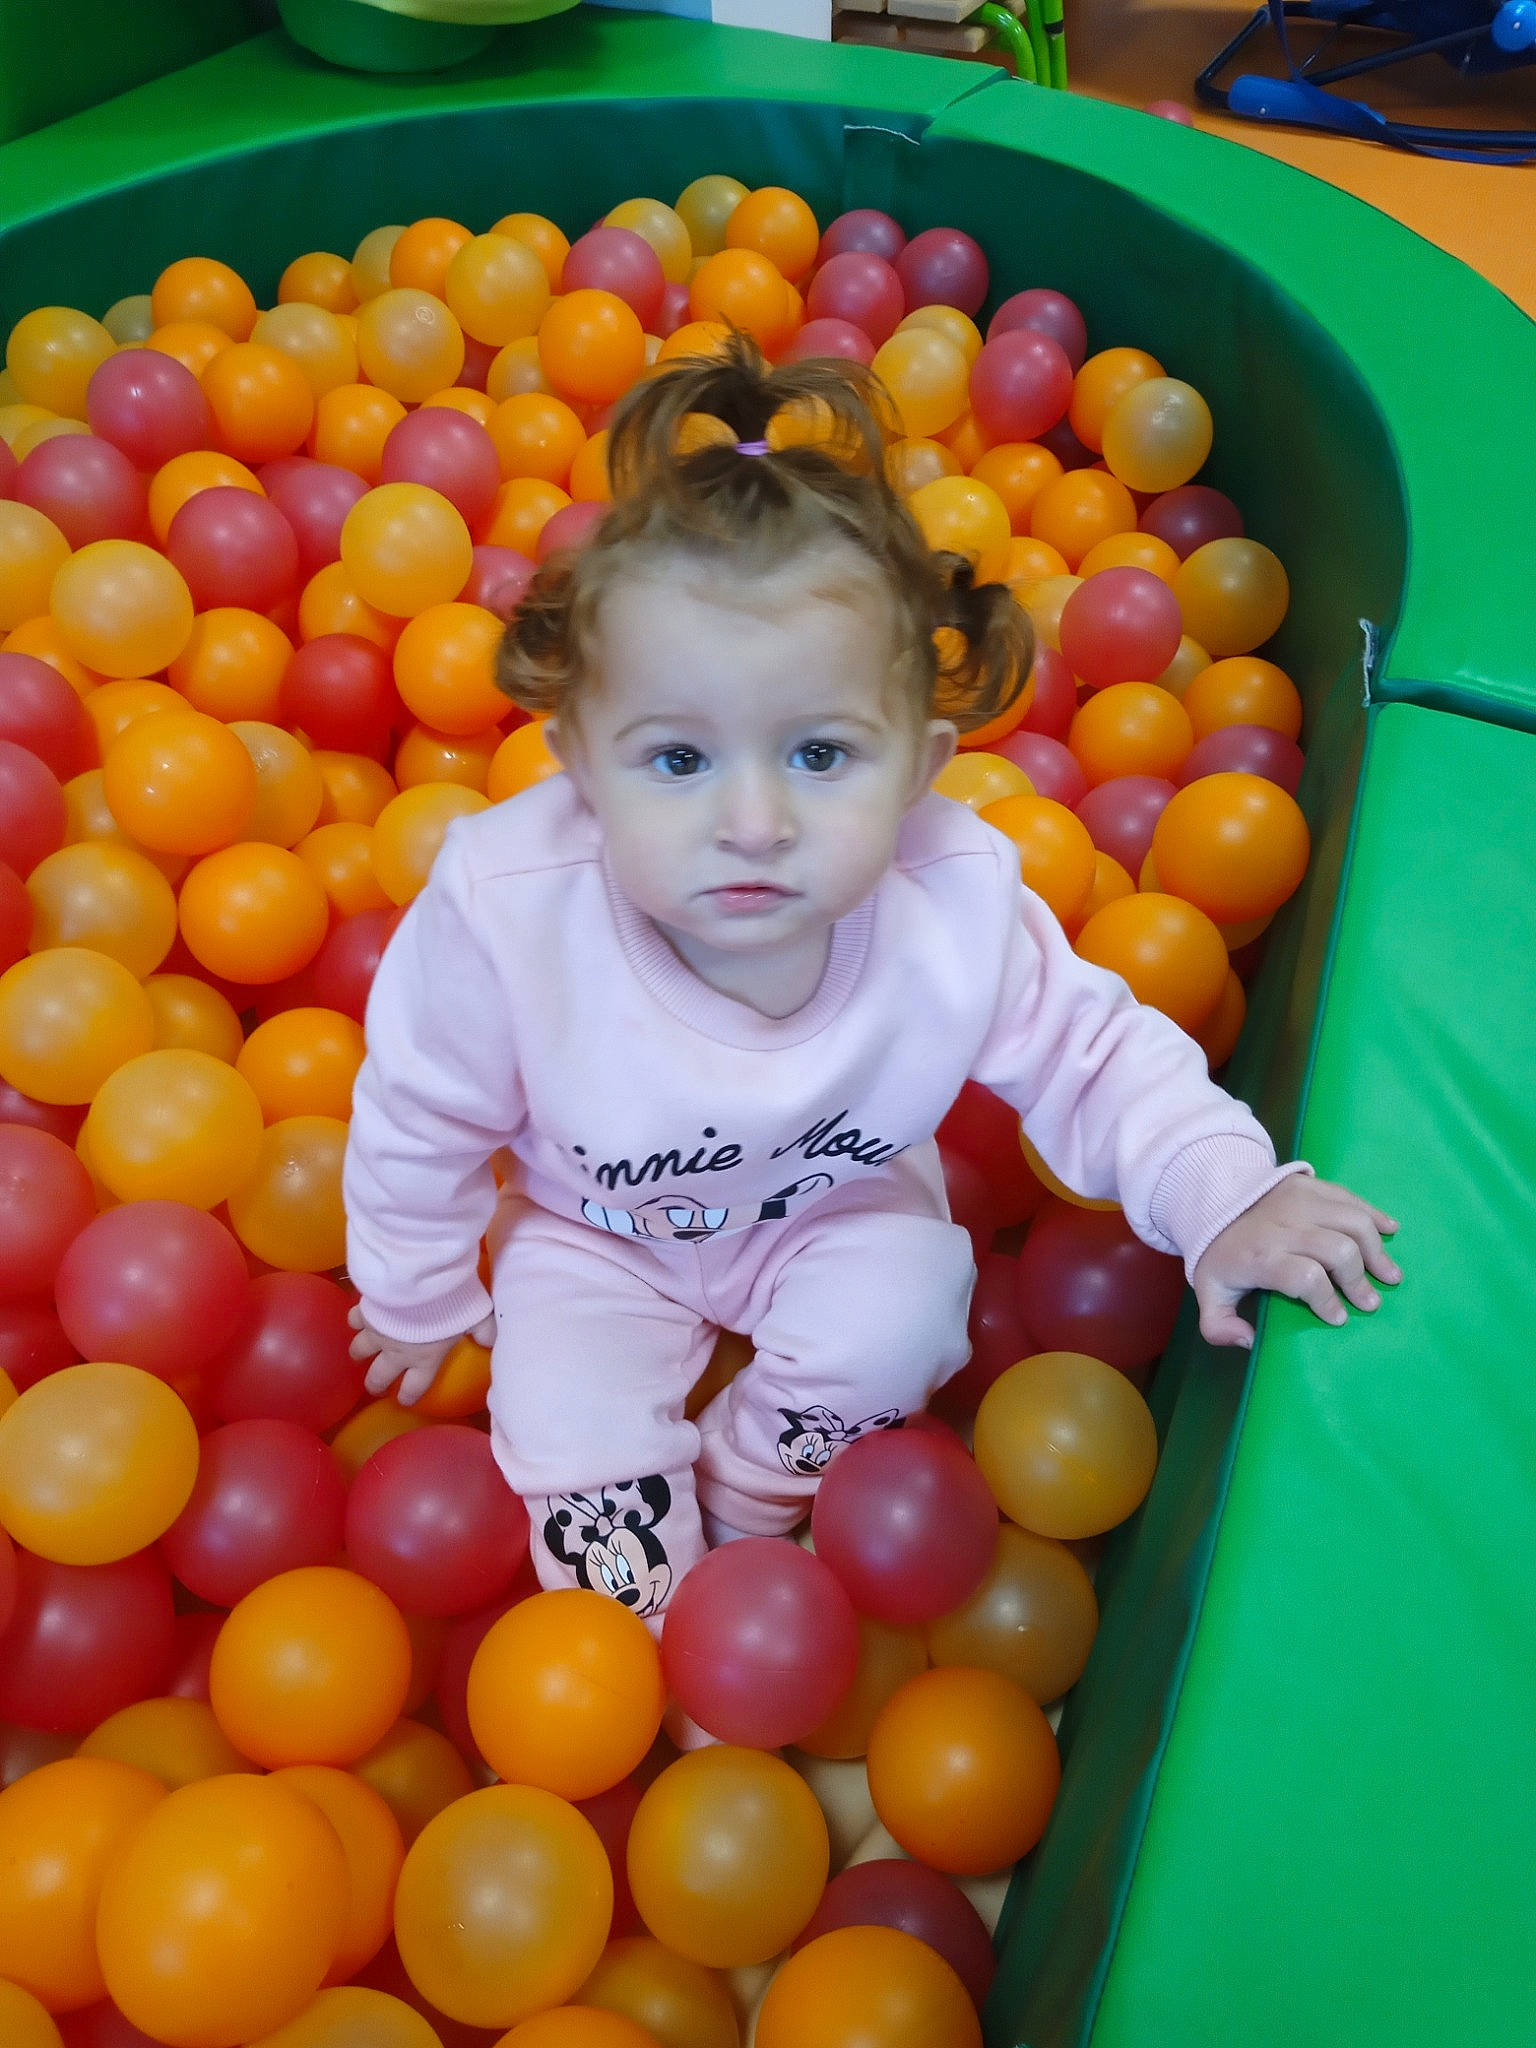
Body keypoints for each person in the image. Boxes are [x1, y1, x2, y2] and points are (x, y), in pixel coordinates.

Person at [343, 335, 1399, 1622]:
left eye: (821, 754)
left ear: (919, 764)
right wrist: (413, 1289)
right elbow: (420, 1110)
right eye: (675, 760)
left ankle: (750, 1485)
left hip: (833, 1209)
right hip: (590, 1236)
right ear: (575, 761)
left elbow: (1091, 1047)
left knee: (909, 1314)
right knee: (564, 1421)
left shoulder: (947, 899)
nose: (752, 819)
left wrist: (1226, 1192)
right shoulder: (509, 913)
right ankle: (651, 1614)